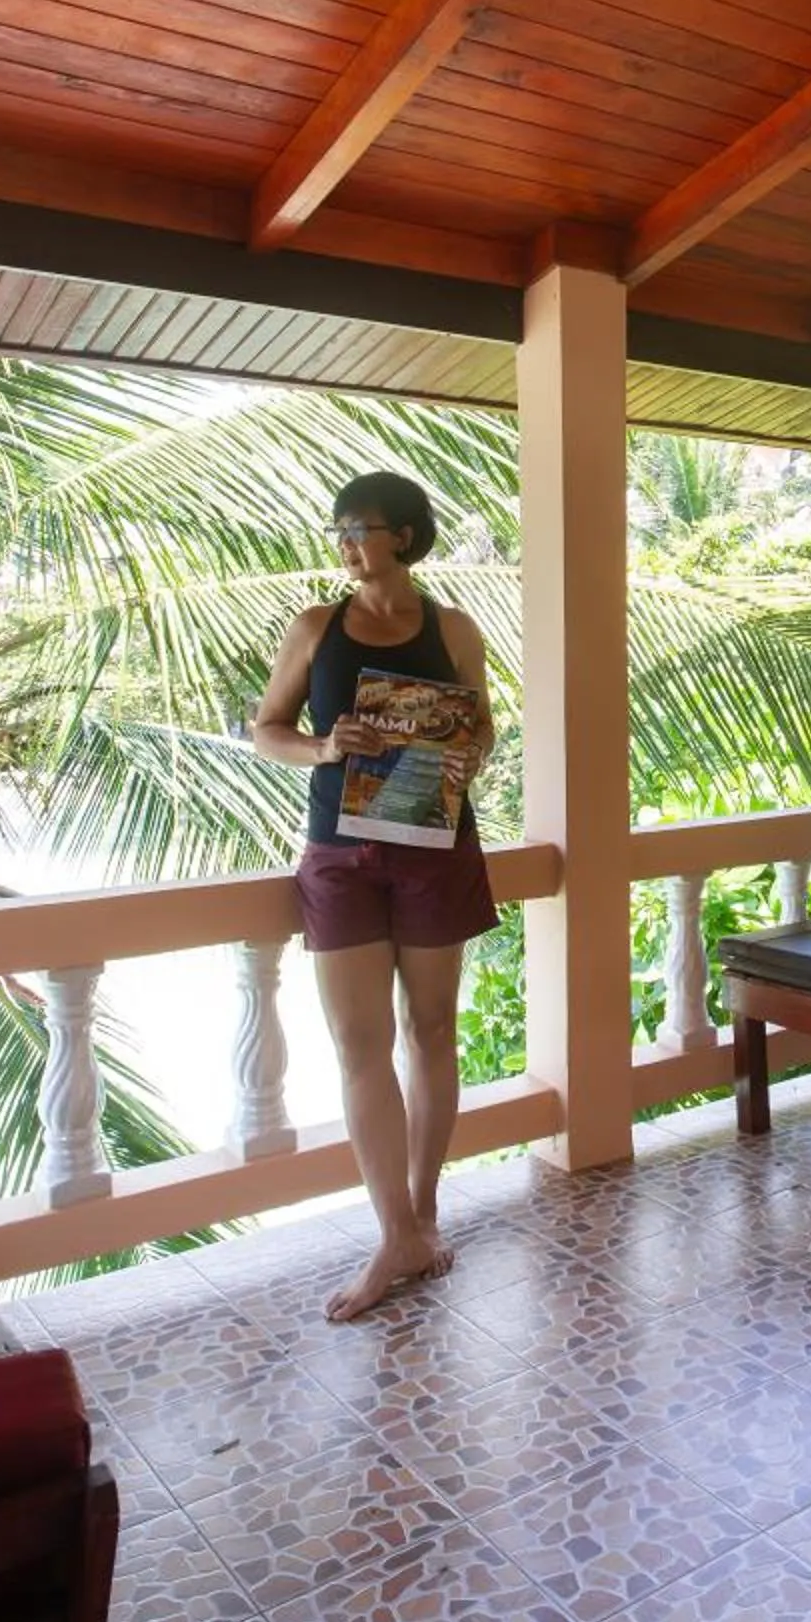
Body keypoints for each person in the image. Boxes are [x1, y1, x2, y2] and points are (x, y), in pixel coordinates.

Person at [251, 472, 499, 1322]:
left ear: (404, 534)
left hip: (435, 847)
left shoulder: (453, 628)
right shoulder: (315, 626)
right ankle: (393, 1233)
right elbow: (265, 730)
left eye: (359, 527)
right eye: (339, 530)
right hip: (342, 856)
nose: (346, 543)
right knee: (362, 1043)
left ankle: (423, 1217)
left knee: (433, 1031)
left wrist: (470, 758)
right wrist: (324, 750)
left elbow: (483, 726)